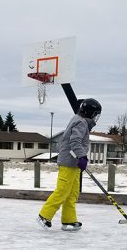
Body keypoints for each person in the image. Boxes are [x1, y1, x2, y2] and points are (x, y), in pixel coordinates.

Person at [37, 98, 102, 231]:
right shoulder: (81, 122)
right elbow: (75, 141)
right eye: (95, 114)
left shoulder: (79, 120)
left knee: (72, 193)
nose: (96, 117)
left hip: (74, 164)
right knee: (62, 191)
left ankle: (69, 220)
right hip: (69, 162)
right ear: (89, 112)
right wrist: (82, 156)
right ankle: (44, 216)